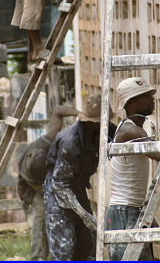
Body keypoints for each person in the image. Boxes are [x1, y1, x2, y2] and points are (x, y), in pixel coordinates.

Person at [106, 76, 160, 261]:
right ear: (132, 102)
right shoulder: (131, 131)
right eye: (146, 95)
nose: (152, 98)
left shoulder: (133, 128)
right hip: (124, 212)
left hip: (129, 210)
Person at [43, 94, 116, 260]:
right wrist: (83, 214)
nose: (105, 125)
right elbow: (60, 185)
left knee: (88, 244)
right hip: (58, 190)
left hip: (78, 187)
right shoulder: (70, 142)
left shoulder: (104, 129)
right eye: (101, 122)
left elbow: (124, 136)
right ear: (90, 123)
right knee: (64, 248)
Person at [17, 105, 80, 260]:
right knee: (42, 214)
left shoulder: (49, 139)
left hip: (50, 182)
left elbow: (58, 110)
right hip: (31, 190)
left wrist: (81, 114)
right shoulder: (29, 171)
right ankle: (38, 256)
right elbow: (44, 189)